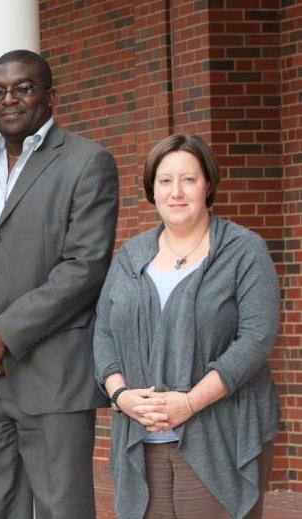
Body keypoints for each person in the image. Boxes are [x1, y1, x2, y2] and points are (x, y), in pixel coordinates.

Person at [0, 49, 119, 519]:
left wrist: (3, 336)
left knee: (63, 510)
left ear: (51, 96)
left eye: (23, 88)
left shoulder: (87, 163)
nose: (8, 99)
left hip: (51, 376)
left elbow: (84, 267)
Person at [94, 134, 279, 519]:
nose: (176, 192)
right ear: (152, 188)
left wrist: (190, 402)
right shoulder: (131, 256)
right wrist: (120, 395)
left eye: (188, 180)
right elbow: (104, 331)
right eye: (165, 180)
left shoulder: (243, 251)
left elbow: (256, 338)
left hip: (219, 436)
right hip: (140, 440)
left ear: (207, 184)